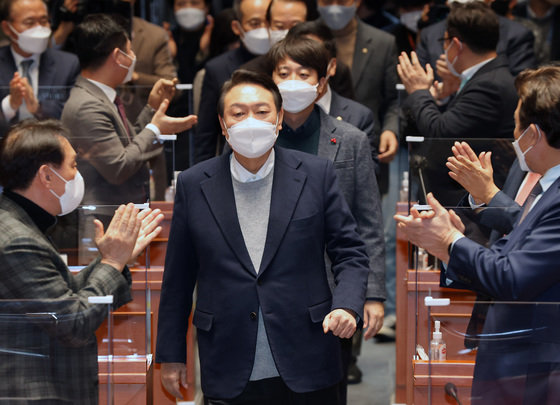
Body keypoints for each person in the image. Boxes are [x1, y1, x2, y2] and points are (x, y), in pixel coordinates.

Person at [155, 69, 370, 404]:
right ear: (224, 125)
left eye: (262, 111)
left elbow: (350, 252)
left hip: (308, 354)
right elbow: (178, 278)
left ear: (279, 118)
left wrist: (347, 304)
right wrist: (171, 354)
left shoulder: (315, 174)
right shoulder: (194, 184)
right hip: (228, 358)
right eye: (238, 113)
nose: (250, 121)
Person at [395, 65, 560, 405]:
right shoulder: (548, 186)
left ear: (534, 134)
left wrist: (450, 242)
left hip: (535, 369)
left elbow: (512, 277)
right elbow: (506, 254)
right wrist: (453, 244)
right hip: (515, 360)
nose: (513, 136)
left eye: (517, 126)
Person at [0, 119, 164, 404]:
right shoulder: (16, 239)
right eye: (73, 166)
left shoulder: (21, 223)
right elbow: (72, 323)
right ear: (46, 176)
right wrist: (112, 262)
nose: (78, 175)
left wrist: (114, 260)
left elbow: (62, 295)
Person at [268, 36, 385, 392]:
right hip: (270, 283)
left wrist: (374, 294)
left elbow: (368, 220)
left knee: (327, 385)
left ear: (321, 83)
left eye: (302, 73)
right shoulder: (254, 137)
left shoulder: (350, 139)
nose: (291, 82)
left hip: (333, 286)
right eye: (282, 72)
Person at [61, 14, 197, 208]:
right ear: (118, 56)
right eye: (130, 50)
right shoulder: (86, 106)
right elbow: (118, 167)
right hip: (104, 216)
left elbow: (127, 145)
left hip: (120, 211)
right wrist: (155, 130)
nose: (133, 56)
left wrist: (151, 108)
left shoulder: (100, 96)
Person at [397, 1, 518, 140]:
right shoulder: (488, 77)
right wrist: (442, 96)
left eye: (445, 40)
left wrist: (419, 91)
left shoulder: (488, 86)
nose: (444, 47)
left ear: (456, 44)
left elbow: (441, 133)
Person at [317, 0, 400, 165]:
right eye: (327, 1)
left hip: (367, 146)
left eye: (341, 1)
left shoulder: (382, 43)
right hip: (312, 145)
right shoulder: (301, 37)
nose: (334, 6)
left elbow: (394, 99)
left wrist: (390, 129)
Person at [194, 0, 272, 163]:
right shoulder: (217, 68)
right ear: (237, 27)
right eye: (254, 23)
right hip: (233, 164)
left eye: (268, 21)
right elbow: (206, 136)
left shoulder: (288, 65)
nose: (263, 28)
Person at [0, 0, 80, 134]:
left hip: (52, 145)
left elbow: (74, 116)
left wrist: (38, 108)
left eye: (43, 21)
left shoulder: (68, 64)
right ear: (7, 28)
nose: (39, 28)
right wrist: (10, 105)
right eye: (30, 22)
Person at [416, 0, 536, 78]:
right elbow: (418, 86)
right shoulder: (430, 34)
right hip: (439, 111)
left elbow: (522, 87)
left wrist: (463, 80)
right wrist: (441, 94)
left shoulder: (516, 34)